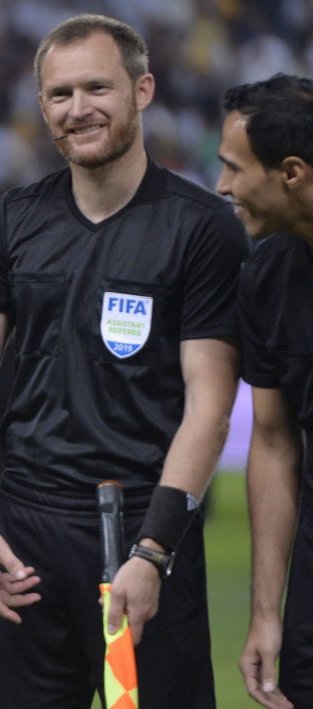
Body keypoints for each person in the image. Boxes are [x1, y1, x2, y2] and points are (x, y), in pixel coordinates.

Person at [0, 13, 249, 709]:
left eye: (96, 88)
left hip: (142, 530)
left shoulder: (202, 231)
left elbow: (211, 406)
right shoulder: (9, 223)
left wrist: (153, 550)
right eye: (59, 94)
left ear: (142, 90)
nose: (77, 109)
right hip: (26, 537)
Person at [216, 73, 313, 709]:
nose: (222, 188)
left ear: (292, 173)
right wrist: (266, 614)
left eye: (233, 169)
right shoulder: (268, 276)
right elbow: (275, 444)